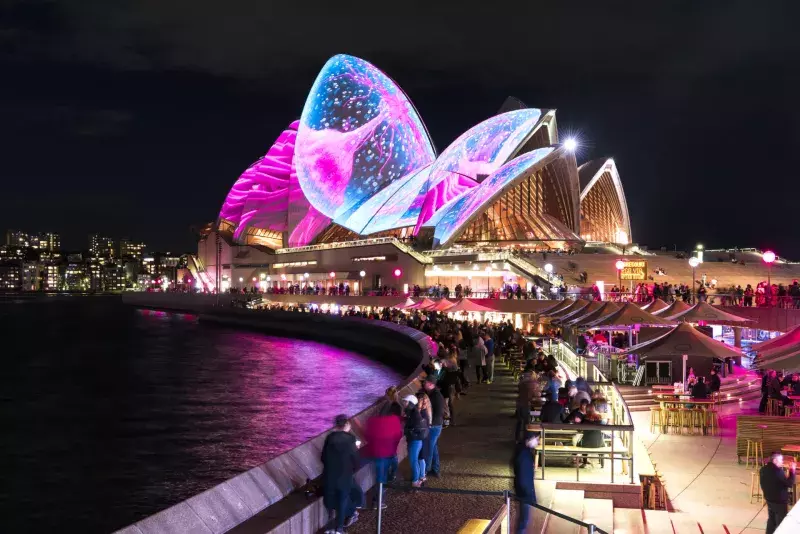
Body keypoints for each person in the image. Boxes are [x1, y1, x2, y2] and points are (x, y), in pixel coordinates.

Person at [321, 414, 360, 534]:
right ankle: (339, 529)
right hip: (344, 475)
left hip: (329, 475)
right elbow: (355, 459)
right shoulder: (350, 439)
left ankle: (330, 528)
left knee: (330, 500)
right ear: (347, 424)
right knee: (342, 500)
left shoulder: (329, 438)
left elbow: (323, 457)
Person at [360, 403, 403, 508]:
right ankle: (378, 501)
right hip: (389, 452)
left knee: (380, 477)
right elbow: (398, 435)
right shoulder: (394, 420)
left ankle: (378, 500)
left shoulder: (372, 420)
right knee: (382, 477)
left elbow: (367, 436)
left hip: (375, 453)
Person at [760, 452, 796, 534]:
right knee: (781, 523)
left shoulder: (763, 469)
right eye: (781, 460)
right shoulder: (778, 472)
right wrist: (792, 471)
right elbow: (790, 483)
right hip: (779, 502)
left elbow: (764, 483)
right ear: (775, 460)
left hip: (769, 499)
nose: (782, 462)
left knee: (771, 520)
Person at [512, 432, 539, 533]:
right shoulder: (524, 454)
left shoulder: (523, 451)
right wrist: (528, 493)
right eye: (536, 439)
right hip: (524, 492)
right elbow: (523, 476)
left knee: (523, 519)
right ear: (529, 440)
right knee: (523, 521)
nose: (537, 441)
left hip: (523, 491)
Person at [402, 394, 428, 488]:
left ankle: (415, 481)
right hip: (417, 441)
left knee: (413, 461)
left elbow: (414, 428)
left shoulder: (414, 415)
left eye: (406, 401)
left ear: (411, 403)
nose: (404, 403)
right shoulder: (413, 412)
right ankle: (420, 477)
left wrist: (407, 431)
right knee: (417, 460)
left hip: (414, 441)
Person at [423, 379, 445, 478]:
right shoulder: (434, 394)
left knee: (429, 449)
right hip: (436, 425)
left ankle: (425, 472)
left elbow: (438, 412)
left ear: (431, 384)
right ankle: (435, 469)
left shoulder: (436, 396)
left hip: (434, 426)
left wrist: (430, 423)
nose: (424, 384)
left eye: (426, 382)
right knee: (434, 448)